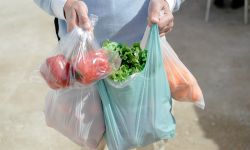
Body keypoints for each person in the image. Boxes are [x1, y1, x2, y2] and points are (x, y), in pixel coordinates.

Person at [34, 0, 183, 149]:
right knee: (94, 141)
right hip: (82, 70)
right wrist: (64, 3)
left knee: (148, 139)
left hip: (144, 68)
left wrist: (166, 2)